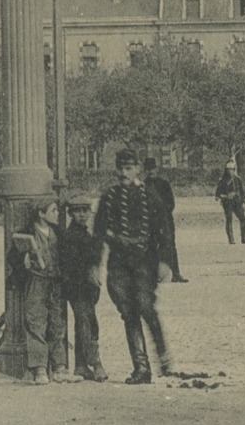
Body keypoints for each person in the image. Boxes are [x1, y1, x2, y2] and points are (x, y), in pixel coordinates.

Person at [95, 149, 172, 384]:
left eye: (128, 168)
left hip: (144, 262)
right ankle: (141, 368)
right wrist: (96, 265)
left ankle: (163, 355)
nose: (123, 173)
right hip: (118, 262)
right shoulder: (109, 197)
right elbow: (98, 233)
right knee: (128, 313)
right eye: (120, 168)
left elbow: (164, 231)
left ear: (138, 168)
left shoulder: (150, 195)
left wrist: (164, 262)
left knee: (146, 307)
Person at [8, 197, 66, 385]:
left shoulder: (57, 232)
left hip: (55, 283)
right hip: (36, 282)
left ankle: (60, 368)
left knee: (57, 323)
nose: (58, 214)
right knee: (36, 323)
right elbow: (14, 257)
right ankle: (40, 369)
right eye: (53, 210)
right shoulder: (27, 233)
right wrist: (23, 260)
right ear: (41, 214)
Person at [55, 199, 108, 382]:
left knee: (84, 323)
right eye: (77, 211)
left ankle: (80, 365)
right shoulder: (71, 236)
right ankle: (95, 363)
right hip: (78, 287)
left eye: (85, 210)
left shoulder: (84, 233)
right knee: (88, 324)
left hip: (86, 287)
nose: (82, 215)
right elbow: (77, 264)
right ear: (71, 213)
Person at [144, 157, 186, 283]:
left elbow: (171, 203)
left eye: (153, 169)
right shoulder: (143, 185)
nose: (151, 172)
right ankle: (154, 274)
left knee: (171, 245)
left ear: (156, 169)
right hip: (151, 222)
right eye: (148, 169)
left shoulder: (164, 183)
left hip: (166, 220)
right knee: (152, 246)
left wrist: (162, 213)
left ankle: (176, 273)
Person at [215, 161, 245, 245]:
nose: (230, 171)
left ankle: (244, 238)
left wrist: (243, 201)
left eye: (232, 169)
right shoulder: (222, 180)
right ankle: (231, 239)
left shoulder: (238, 179)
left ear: (234, 170)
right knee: (229, 219)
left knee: (243, 218)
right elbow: (217, 195)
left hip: (237, 202)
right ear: (226, 170)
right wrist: (226, 196)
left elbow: (242, 191)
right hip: (227, 203)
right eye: (229, 169)